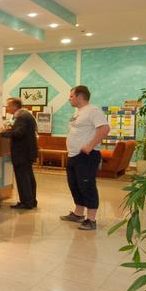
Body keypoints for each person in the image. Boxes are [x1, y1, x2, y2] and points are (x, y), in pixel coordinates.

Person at [60, 85, 110, 231]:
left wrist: (90, 145)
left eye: (71, 96)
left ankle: (91, 219)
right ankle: (78, 213)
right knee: (74, 185)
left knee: (87, 186)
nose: (69, 99)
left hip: (87, 156)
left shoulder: (93, 110)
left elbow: (105, 128)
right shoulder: (78, 111)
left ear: (80, 97)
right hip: (73, 155)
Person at [3, 97, 38, 209]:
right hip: (27, 153)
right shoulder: (26, 115)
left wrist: (3, 133)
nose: (7, 108)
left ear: (15, 106)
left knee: (23, 178)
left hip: (22, 153)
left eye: (8, 106)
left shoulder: (21, 117)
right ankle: (31, 201)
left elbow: (18, 134)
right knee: (28, 177)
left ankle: (26, 202)